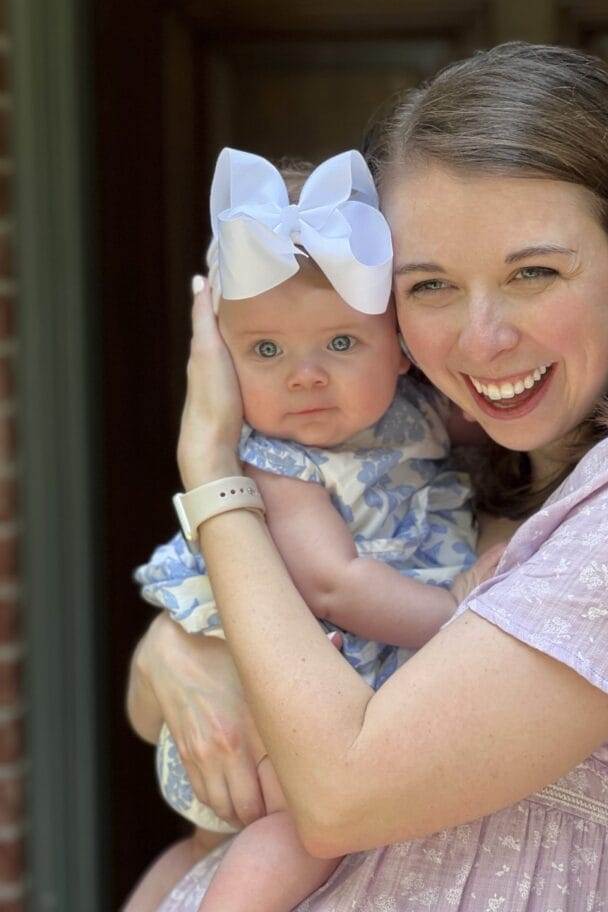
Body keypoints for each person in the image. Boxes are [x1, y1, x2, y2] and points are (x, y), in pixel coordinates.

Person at [127, 41, 608, 912]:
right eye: (429, 287)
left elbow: (341, 793)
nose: (482, 339)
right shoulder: (431, 458)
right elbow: (156, 710)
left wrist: (210, 471)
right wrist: (174, 647)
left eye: (533, 272)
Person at [125, 147, 483, 912]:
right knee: (299, 837)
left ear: (401, 342)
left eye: (342, 342)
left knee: (199, 852)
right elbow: (335, 583)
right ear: (218, 359)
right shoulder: (276, 464)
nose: (305, 375)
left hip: (327, 704)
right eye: (265, 351)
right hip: (276, 715)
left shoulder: (418, 415)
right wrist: (469, 619)